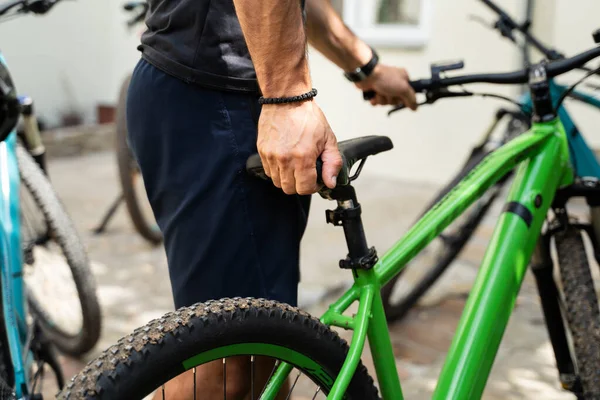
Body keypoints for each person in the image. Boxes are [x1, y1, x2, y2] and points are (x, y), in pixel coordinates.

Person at [126, 0, 417, 398]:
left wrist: (367, 67)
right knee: (226, 369)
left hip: (213, 96)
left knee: (266, 354)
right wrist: (288, 99)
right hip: (215, 100)